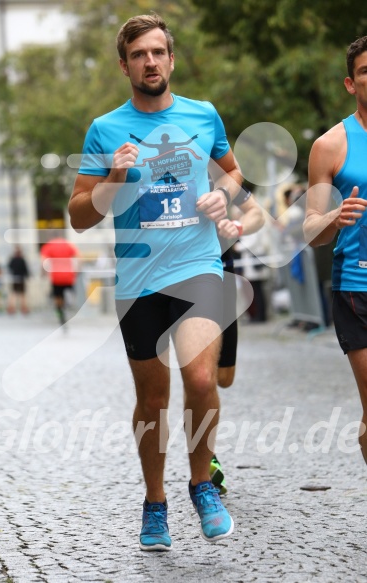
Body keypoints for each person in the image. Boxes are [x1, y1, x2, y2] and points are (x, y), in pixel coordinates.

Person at [68, 13, 264, 551]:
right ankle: (155, 502)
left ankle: (203, 484)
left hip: (199, 266)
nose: (150, 62)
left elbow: (234, 176)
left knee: (200, 382)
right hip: (138, 280)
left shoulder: (203, 116)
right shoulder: (106, 129)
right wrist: (112, 178)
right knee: (152, 400)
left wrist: (222, 197)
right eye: (139, 54)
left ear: (171, 60)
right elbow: (80, 215)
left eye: (158, 52)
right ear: (124, 64)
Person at [303, 36, 367, 465]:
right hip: (357, 287)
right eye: (366, 72)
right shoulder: (330, 145)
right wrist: (334, 217)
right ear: (351, 83)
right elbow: (311, 230)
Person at [210, 190, 265, 496]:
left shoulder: (220, 171)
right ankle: (206, 458)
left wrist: (238, 227)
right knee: (200, 376)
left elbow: (256, 213)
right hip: (178, 278)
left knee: (223, 378)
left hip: (223, 278)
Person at [40, 236, 79, 326]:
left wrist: (43, 273)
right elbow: (78, 257)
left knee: (57, 295)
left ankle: (60, 312)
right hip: (68, 275)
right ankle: (67, 305)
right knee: (68, 291)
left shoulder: (48, 246)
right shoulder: (68, 244)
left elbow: (43, 261)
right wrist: (76, 270)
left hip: (56, 276)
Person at [7, 246, 30, 314]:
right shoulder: (22, 260)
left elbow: (9, 267)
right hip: (21, 278)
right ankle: (22, 308)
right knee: (21, 294)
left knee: (15, 293)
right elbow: (26, 270)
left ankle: (13, 308)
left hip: (15, 278)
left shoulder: (13, 259)